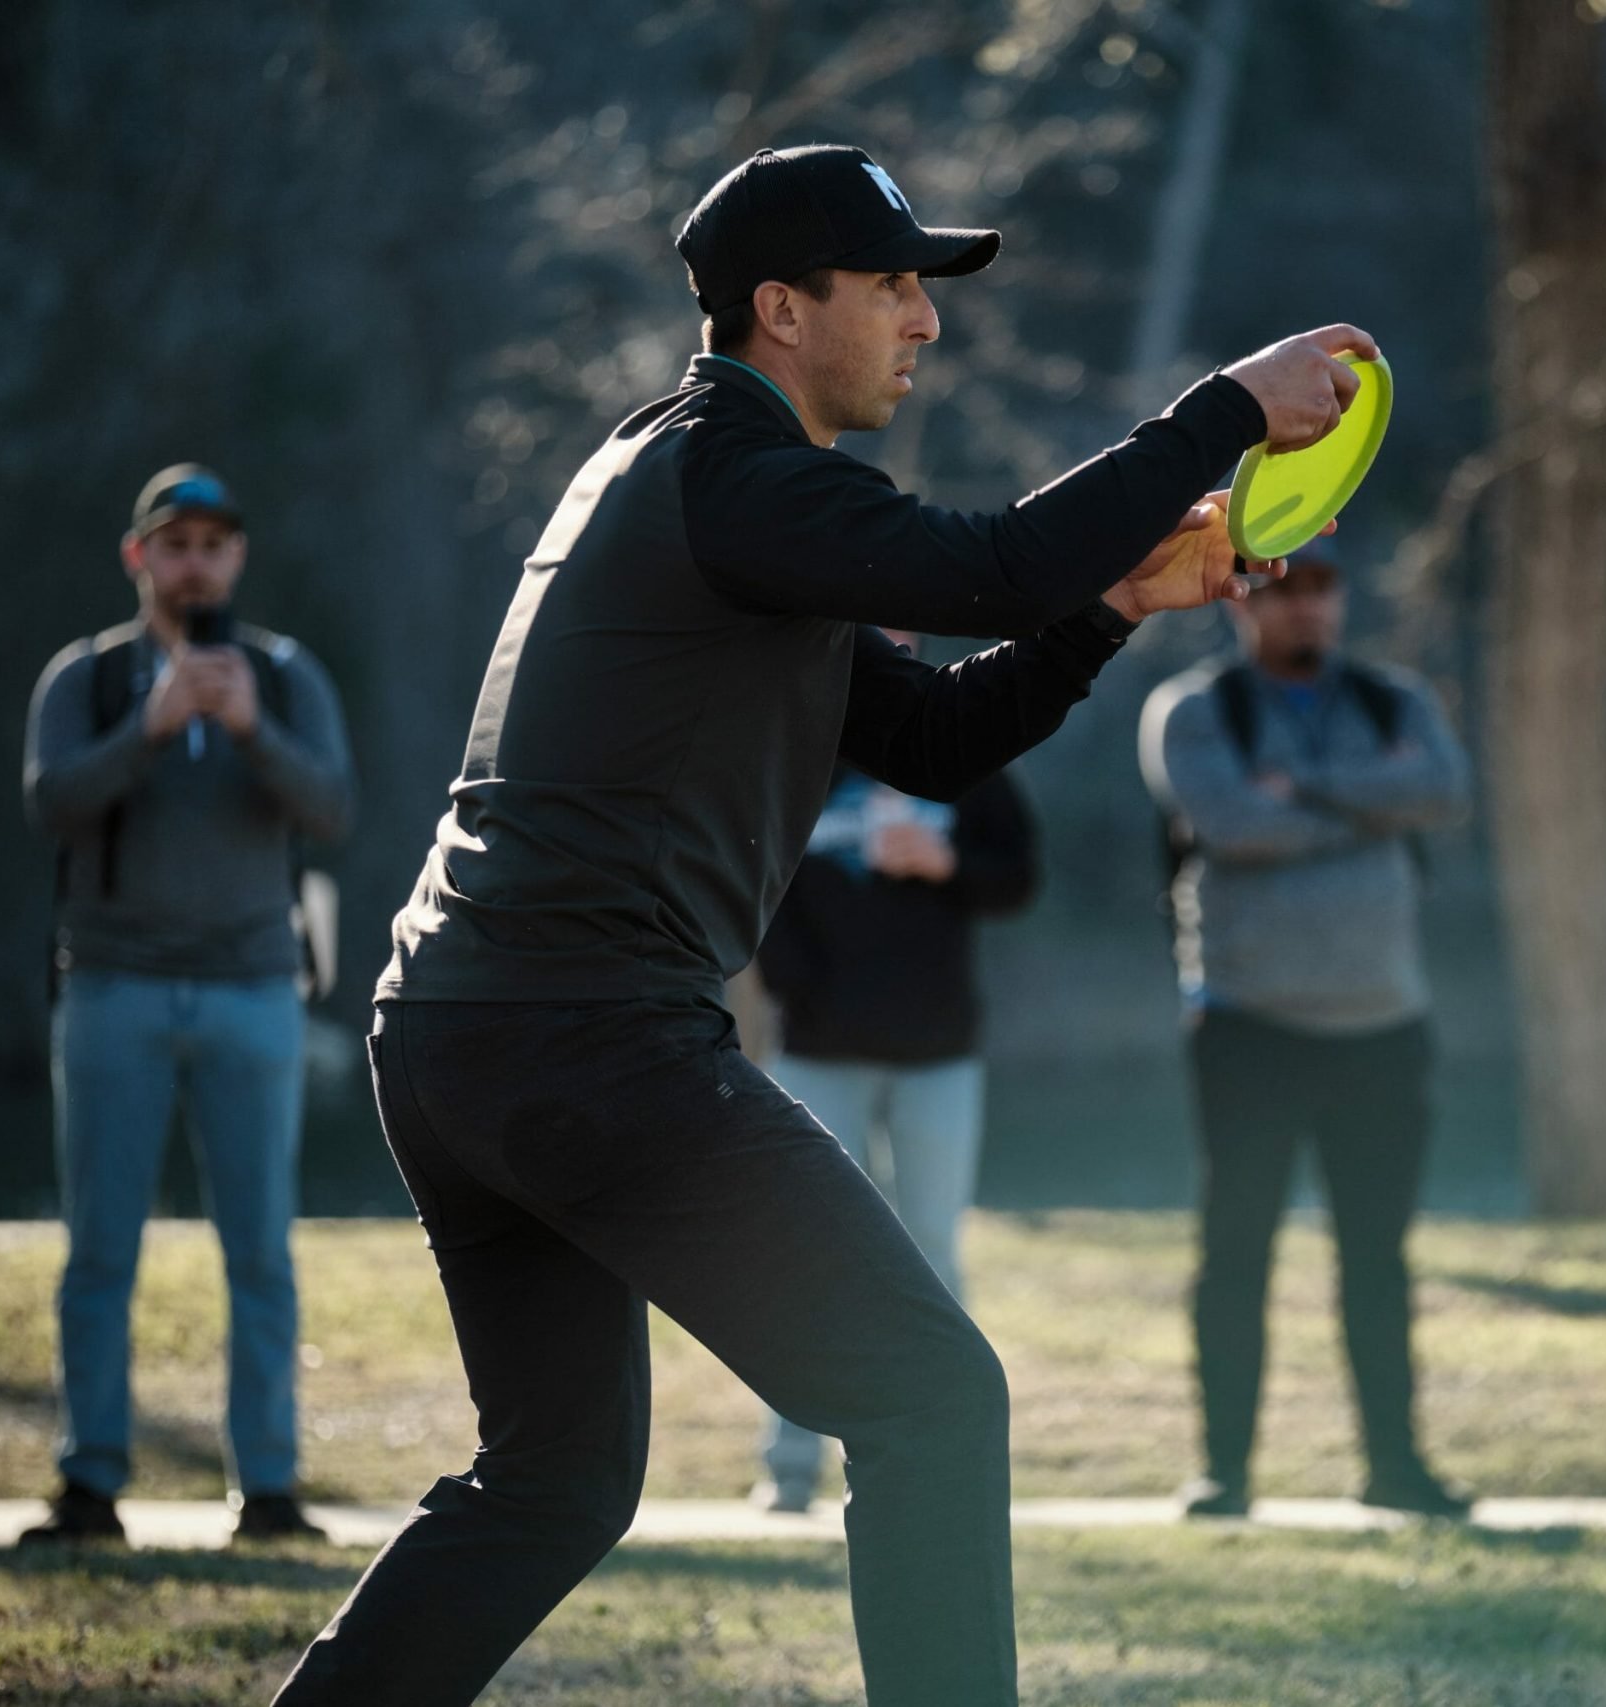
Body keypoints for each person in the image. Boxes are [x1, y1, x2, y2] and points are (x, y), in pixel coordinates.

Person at [270, 141, 1371, 1707]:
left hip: (461, 1032)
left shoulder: (693, 479)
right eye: (897, 287)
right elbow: (987, 565)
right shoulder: (739, 473)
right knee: (929, 1391)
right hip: (584, 1034)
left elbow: (927, 733)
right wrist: (1223, 410)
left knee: (554, 1484)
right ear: (780, 309)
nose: (926, 322)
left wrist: (1116, 607)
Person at [20, 466, 356, 1545]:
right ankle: (91, 1484)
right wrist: (151, 729)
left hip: (254, 991)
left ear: (238, 558)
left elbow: (337, 809)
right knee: (99, 1252)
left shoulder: (288, 675)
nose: (195, 561)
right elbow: (50, 804)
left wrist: (253, 729)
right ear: (139, 558)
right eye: (175, 543)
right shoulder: (88, 677)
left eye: (214, 543)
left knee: (260, 1251)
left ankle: (267, 1490)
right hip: (113, 989)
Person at [1138, 553, 1471, 1520]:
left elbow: (1445, 792)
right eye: (1284, 587)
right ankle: (1225, 1473)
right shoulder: (1197, 711)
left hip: (1385, 1029)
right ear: (1243, 599)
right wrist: (1370, 802)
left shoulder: (1395, 698)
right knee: (1236, 1254)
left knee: (1378, 1258)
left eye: (1322, 585)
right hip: (1249, 1031)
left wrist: (1303, 790)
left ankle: (1397, 1469)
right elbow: (1232, 821)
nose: (1306, 604)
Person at [747, 660, 1038, 1514]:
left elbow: (1021, 877)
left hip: (938, 1053)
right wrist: (804, 991)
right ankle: (790, 1462)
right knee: (808, 1256)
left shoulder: (966, 757)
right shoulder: (798, 756)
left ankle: (948, 1449)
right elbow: (755, 886)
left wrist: (948, 862)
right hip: (817, 1050)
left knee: (934, 1252)